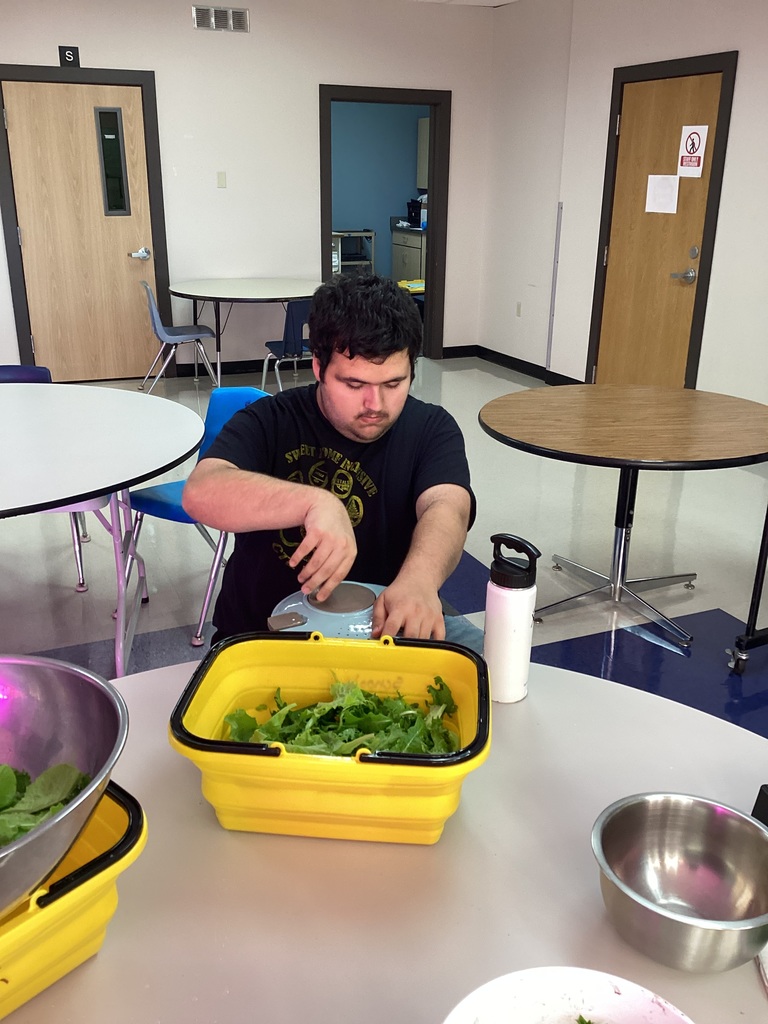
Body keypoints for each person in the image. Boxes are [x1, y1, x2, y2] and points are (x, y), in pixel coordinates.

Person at [182, 273, 477, 646]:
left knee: (493, 670)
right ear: (319, 368)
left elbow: (447, 506)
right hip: (266, 637)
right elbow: (201, 491)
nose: (376, 405)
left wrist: (420, 578)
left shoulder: (432, 429)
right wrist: (314, 502)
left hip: (385, 630)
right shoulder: (270, 420)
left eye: (393, 384)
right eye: (354, 385)